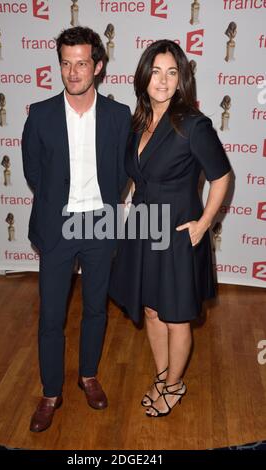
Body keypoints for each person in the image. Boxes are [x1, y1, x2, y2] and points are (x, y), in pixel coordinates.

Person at [109, 40, 231, 417]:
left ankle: (175, 386)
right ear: (144, 77)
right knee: (150, 311)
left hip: (178, 230)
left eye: (172, 72)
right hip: (143, 226)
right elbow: (131, 176)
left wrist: (204, 223)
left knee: (176, 315)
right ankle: (163, 376)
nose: (162, 80)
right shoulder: (138, 122)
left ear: (181, 81)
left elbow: (222, 177)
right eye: (156, 71)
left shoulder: (194, 124)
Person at [22, 26, 131, 432]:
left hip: (100, 224)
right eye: (66, 63)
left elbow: (122, 172)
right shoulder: (41, 113)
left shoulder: (119, 116)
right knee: (51, 314)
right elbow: (33, 169)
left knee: (96, 308)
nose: (72, 72)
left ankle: (88, 375)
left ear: (97, 67)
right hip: (57, 227)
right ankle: (51, 392)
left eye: (81, 63)